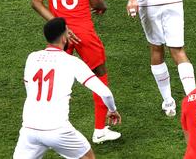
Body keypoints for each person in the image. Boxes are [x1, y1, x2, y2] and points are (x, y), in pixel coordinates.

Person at [31, 0, 121, 143]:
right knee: (99, 74)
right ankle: (100, 130)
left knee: (57, 78)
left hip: (61, 35)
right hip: (83, 31)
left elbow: (36, 2)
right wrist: (103, 6)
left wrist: (59, 25)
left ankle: (48, 126)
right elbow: (95, 1)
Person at [13, 18, 121, 159]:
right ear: (64, 38)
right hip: (58, 130)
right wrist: (112, 110)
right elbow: (105, 93)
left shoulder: (31, 57)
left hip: (29, 129)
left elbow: (30, 87)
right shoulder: (72, 62)